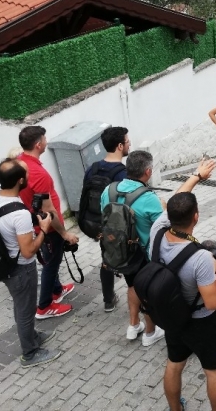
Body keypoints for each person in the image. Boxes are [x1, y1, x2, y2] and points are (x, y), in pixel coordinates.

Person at [149, 160, 216, 411]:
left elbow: (178, 197)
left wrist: (196, 177)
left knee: (174, 363)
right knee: (214, 371)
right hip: (200, 321)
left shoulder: (157, 231)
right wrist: (215, 273)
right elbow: (214, 302)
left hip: (172, 314)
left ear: (169, 215)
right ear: (196, 217)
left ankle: (175, 408)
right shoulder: (201, 257)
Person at [0, 158, 62, 367]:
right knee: (25, 310)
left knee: (22, 306)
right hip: (20, 269)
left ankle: (32, 336)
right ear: (21, 181)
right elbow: (29, 251)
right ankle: (29, 353)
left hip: (5, 263)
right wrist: (45, 228)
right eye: (26, 173)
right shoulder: (19, 214)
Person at [100, 150, 165, 347]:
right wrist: (163, 205)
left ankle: (133, 324)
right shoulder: (149, 197)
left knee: (132, 285)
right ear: (147, 171)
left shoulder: (108, 190)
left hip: (119, 252)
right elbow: (165, 225)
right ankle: (150, 332)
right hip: (142, 255)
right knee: (147, 291)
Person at [18, 126, 79, 320]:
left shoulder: (21, 162)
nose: (46, 141)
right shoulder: (38, 173)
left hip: (37, 223)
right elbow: (49, 211)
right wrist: (64, 233)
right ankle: (44, 306)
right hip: (49, 228)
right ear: (38, 144)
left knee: (50, 258)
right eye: (44, 139)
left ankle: (57, 290)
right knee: (51, 264)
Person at [80, 126, 130, 312]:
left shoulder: (92, 169)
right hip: (116, 228)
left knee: (106, 259)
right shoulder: (122, 174)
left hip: (95, 225)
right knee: (130, 261)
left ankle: (109, 300)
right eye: (127, 141)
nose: (129, 143)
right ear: (119, 146)